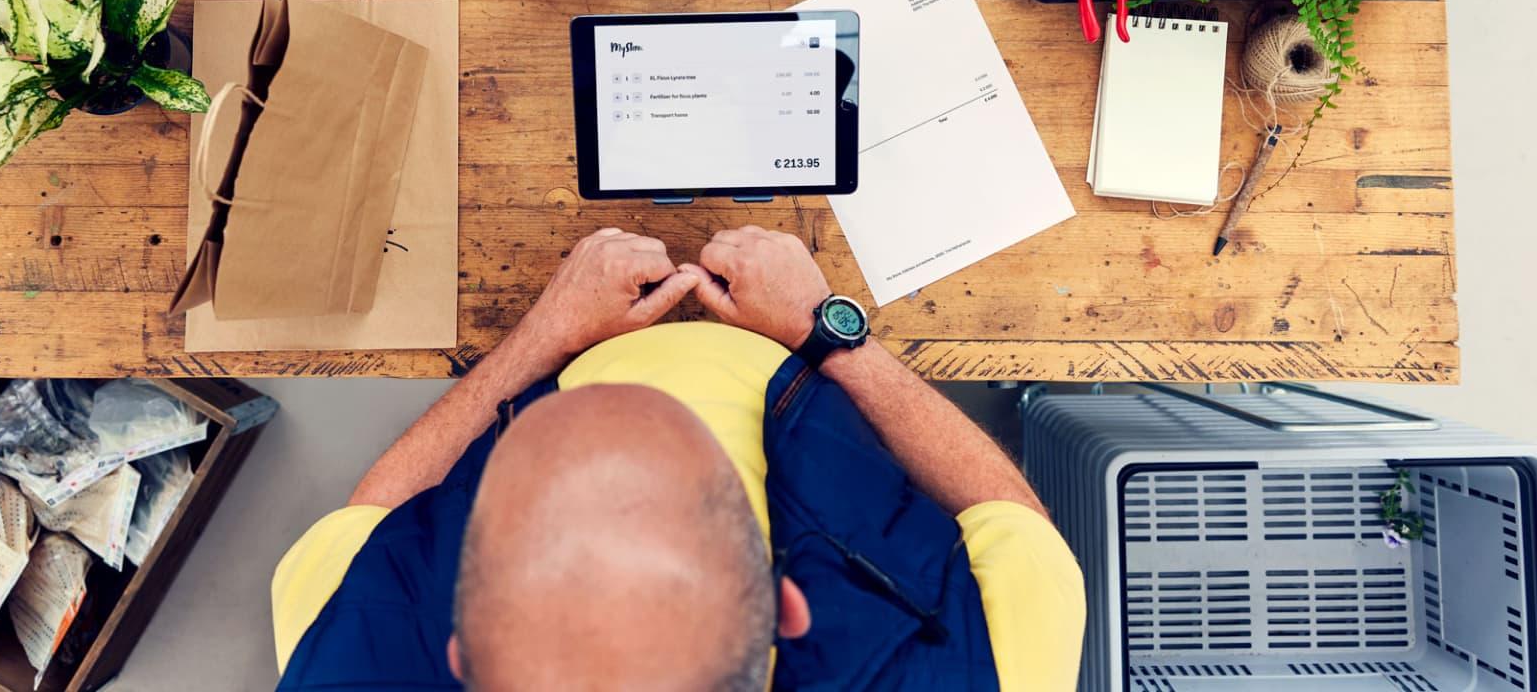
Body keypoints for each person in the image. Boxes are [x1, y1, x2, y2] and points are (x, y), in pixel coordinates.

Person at [272, 225, 1086, 690]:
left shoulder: (345, 663)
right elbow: (1014, 524)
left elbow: (372, 520)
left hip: (578, 338)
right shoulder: (993, 675)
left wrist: (547, 335)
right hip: (787, 351)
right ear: (786, 607)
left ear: (463, 653)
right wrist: (826, 333)